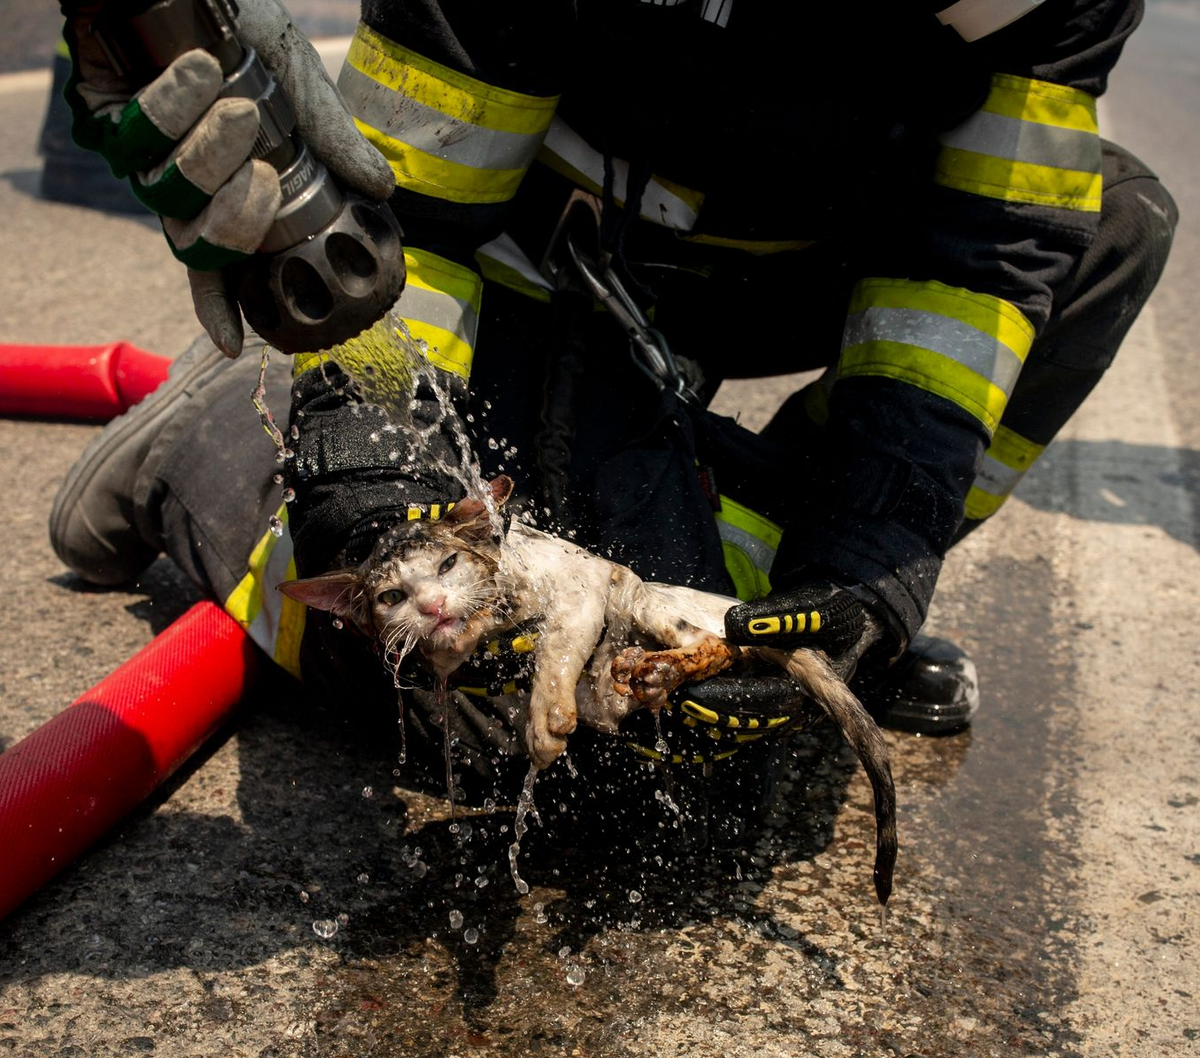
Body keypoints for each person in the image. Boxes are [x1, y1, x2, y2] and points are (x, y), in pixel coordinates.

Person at [51, 0, 1176, 791]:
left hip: (789, 274)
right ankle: (223, 451)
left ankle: (788, 598)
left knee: (1103, 232)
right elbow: (423, 219)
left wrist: (867, 574)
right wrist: (373, 462)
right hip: (544, 263)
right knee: (500, 701)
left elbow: (973, 276)